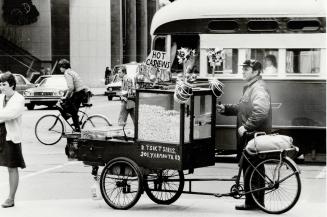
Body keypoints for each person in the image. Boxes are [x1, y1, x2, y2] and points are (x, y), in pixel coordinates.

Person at [217, 59, 272, 210]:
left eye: (246, 69)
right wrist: (226, 109)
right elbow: (243, 108)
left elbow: (260, 111)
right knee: (253, 169)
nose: (243, 71)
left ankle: (252, 203)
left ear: (255, 72)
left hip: (254, 136)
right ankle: (255, 202)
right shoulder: (251, 87)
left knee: (252, 168)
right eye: (244, 69)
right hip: (251, 136)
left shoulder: (258, 88)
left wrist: (246, 127)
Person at [0, 72, 26, 208]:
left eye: (4, 84)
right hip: (0, 134)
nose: (1, 87)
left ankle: (11, 198)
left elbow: (10, 114)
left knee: (12, 167)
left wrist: (3, 115)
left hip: (11, 137)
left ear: (12, 85)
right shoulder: (0, 97)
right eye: (0, 84)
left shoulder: (19, 99)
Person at [58, 59, 88, 132]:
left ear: (63, 66)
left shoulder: (67, 73)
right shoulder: (71, 71)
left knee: (64, 105)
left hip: (79, 93)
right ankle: (76, 124)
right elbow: (72, 86)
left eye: (60, 67)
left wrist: (66, 97)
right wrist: (66, 92)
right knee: (73, 110)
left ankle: (77, 128)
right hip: (82, 92)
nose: (59, 68)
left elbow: (71, 88)